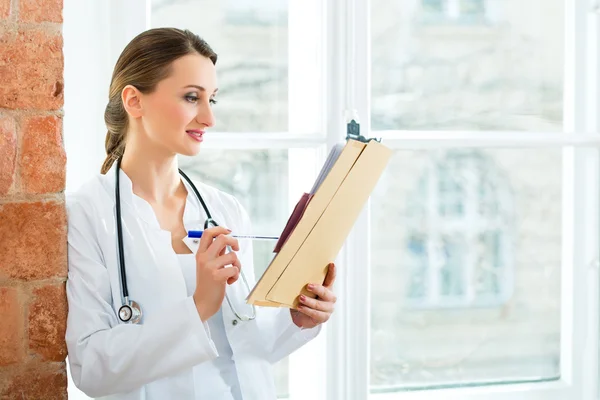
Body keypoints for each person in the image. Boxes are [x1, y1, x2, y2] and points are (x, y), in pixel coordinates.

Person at [65, 27, 337, 400]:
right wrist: (199, 307)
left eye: (213, 99)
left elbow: (246, 346)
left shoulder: (225, 209)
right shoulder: (85, 214)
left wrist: (296, 320)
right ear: (134, 101)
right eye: (192, 97)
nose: (209, 118)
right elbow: (92, 368)